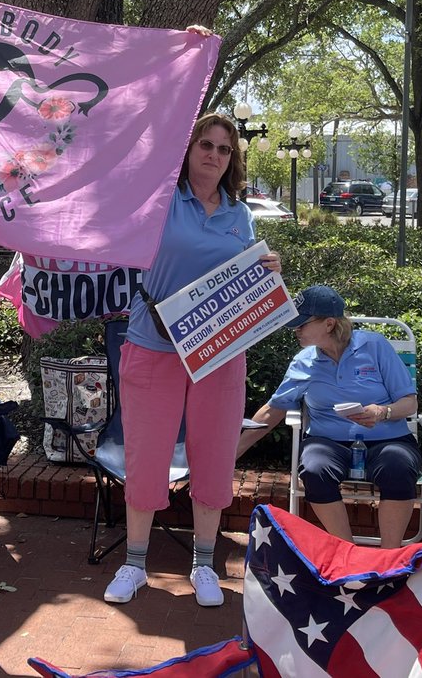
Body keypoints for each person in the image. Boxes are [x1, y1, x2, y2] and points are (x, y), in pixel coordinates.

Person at [102, 108, 281, 609]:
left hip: (217, 354)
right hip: (152, 346)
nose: (215, 155)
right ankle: (135, 563)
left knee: (214, 457)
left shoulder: (240, 214)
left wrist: (268, 270)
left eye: (225, 149)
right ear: (187, 148)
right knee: (146, 456)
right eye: (206, 144)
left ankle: (204, 563)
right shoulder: (160, 199)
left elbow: (248, 281)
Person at [236, 285, 419, 548]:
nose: (295, 330)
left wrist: (382, 412)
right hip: (328, 441)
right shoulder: (303, 362)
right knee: (315, 470)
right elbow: (274, 409)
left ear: (329, 324)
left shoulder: (375, 346)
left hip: (388, 437)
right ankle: (347, 553)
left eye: (301, 324)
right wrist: (235, 451)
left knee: (398, 467)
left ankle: (390, 555)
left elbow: (409, 402)